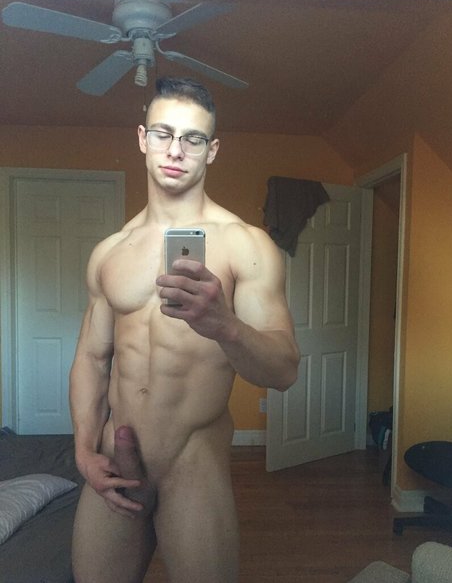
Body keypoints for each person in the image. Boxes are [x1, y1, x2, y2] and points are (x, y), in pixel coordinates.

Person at [70, 77, 300, 583]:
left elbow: (284, 370)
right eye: (163, 133)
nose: (176, 150)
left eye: (193, 138)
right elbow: (91, 357)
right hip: (115, 456)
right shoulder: (109, 251)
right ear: (142, 138)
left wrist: (225, 325)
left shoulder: (246, 245)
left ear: (211, 150)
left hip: (193, 460)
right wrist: (84, 450)